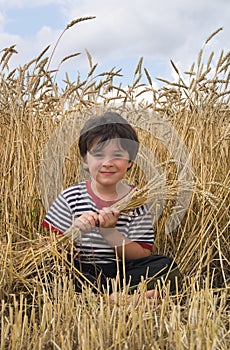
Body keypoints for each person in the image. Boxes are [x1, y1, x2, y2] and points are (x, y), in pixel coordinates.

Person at [43, 111, 180, 298]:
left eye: (117, 155)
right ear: (85, 160)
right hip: (83, 272)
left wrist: (110, 233)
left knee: (165, 266)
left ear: (130, 162)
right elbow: (50, 248)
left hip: (121, 272)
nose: (107, 163)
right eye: (98, 155)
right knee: (49, 271)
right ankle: (122, 298)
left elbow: (141, 254)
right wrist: (73, 232)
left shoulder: (136, 201)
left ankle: (107, 297)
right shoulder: (70, 197)